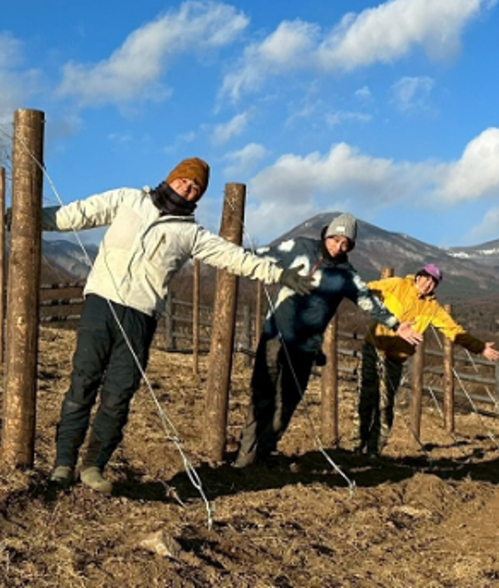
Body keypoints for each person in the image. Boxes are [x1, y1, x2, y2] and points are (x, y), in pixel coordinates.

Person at [37, 157, 312, 494]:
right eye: (185, 180)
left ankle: (94, 466)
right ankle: (63, 462)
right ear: (171, 178)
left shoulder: (190, 234)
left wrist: (278, 274)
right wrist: (30, 217)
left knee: (118, 395)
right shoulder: (128, 200)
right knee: (83, 383)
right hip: (100, 305)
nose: (188, 188)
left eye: (195, 187)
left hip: (141, 316)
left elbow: (233, 257)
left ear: (198, 197)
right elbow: (79, 213)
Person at [233, 213, 423, 468]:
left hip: (306, 347)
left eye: (346, 243)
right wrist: (226, 252)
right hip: (274, 336)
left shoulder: (346, 276)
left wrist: (396, 325)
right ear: (326, 234)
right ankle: (244, 458)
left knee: (287, 403)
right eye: (335, 239)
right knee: (261, 395)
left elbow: (368, 301)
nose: (339, 247)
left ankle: (264, 452)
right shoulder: (299, 248)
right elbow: (261, 255)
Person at [357, 263, 499, 456]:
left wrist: (480, 347)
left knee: (386, 404)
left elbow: (454, 331)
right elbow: (365, 289)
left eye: (433, 282)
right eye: (425, 278)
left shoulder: (432, 308)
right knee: (366, 397)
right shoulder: (396, 285)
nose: (427, 283)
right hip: (374, 348)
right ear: (418, 277)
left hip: (395, 359)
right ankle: (357, 444)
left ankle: (373, 451)